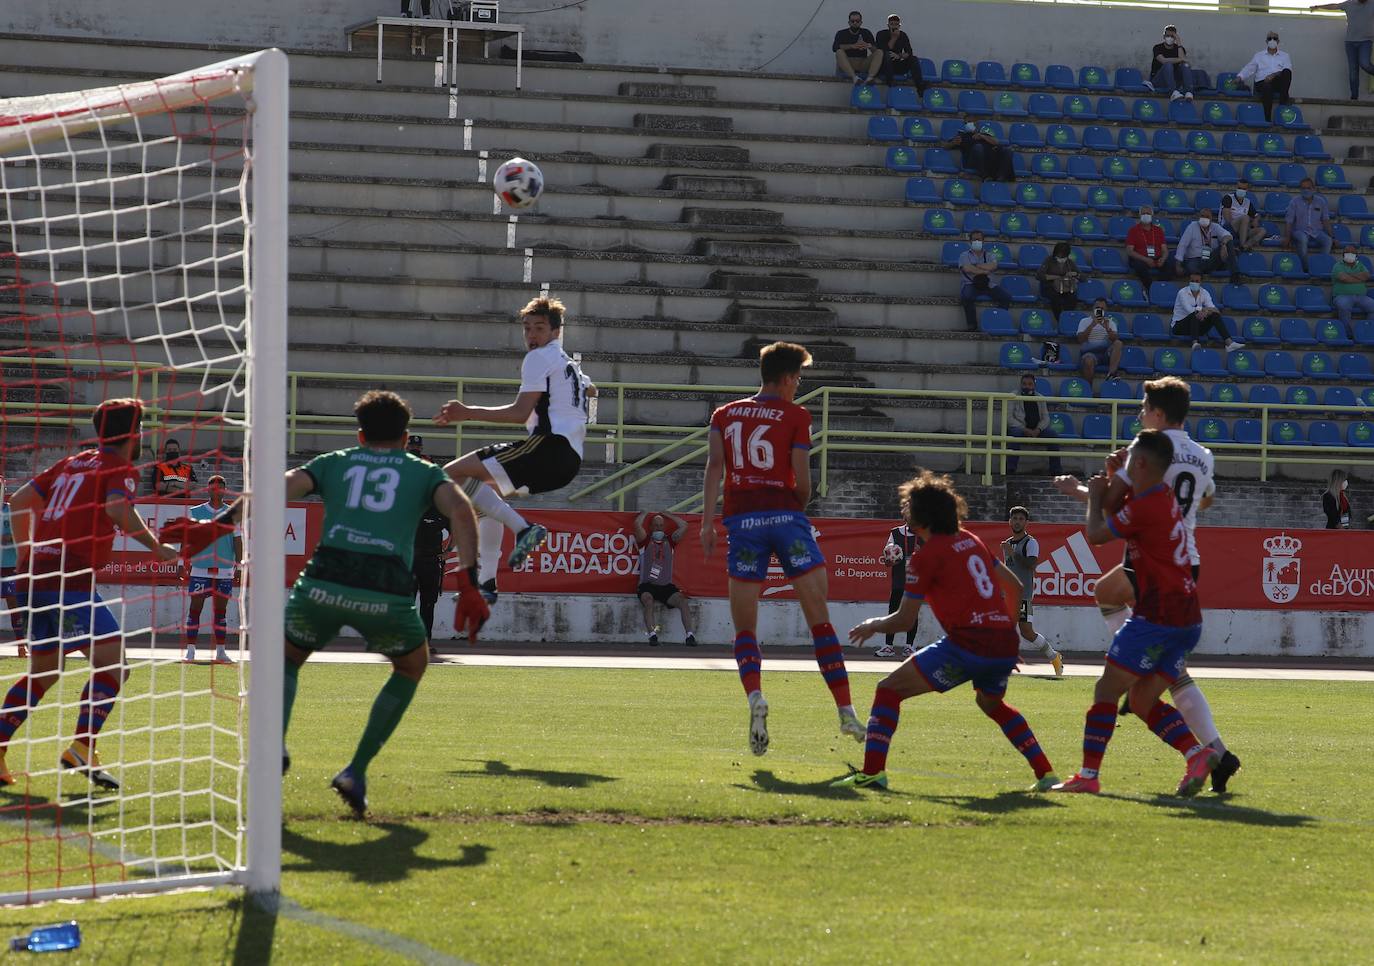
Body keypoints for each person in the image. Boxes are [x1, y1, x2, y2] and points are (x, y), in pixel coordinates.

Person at [169, 391, 489, 816]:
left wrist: (217, 526)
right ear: (406, 436)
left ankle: (274, 748)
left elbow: (273, 490)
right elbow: (462, 510)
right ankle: (355, 770)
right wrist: (468, 581)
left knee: (286, 659)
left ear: (359, 435)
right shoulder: (422, 472)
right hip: (386, 588)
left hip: (323, 582)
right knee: (411, 665)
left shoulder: (335, 461)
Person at [1053, 376, 1241, 793]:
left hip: (1154, 565)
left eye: (1143, 407)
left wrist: (1081, 489)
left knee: (1132, 671)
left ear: (1156, 412)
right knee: (1114, 605)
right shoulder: (1202, 455)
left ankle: (1203, 745)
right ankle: (1213, 753)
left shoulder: (1145, 451)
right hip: (1185, 556)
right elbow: (1205, 499)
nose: (1140, 413)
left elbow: (1108, 511)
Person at [834, 470, 1058, 792]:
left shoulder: (925, 558)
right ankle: (1046, 774)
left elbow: (904, 620)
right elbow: (1015, 585)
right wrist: (1004, 631)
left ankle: (873, 773)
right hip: (1002, 645)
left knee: (887, 690)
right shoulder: (972, 540)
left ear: (922, 515)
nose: (905, 511)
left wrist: (873, 626)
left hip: (967, 644)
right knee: (991, 704)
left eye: (909, 506)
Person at [0, 399, 181, 790]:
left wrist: (26, 551)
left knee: (44, 672)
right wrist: (158, 548)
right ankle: (82, 747)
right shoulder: (120, 468)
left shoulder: (72, 463)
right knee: (115, 667)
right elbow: (117, 509)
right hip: (71, 580)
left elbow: (17, 501)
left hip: (35, 579)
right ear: (134, 434)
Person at [699, 341, 865, 756]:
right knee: (820, 619)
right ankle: (845, 711)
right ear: (789, 378)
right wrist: (795, 511)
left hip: (743, 524)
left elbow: (714, 468)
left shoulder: (725, 414)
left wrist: (706, 523)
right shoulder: (796, 415)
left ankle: (755, 697)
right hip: (786, 519)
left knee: (745, 628)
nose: (799, 386)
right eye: (799, 379)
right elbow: (803, 481)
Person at [434, 296, 592, 606]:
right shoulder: (569, 364)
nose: (532, 335)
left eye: (540, 328)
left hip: (547, 448)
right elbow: (589, 387)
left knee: (448, 475)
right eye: (527, 328)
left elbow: (520, 413)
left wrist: (467, 411)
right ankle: (487, 582)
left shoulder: (538, 359)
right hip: (569, 462)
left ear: (556, 332)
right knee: (489, 496)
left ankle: (524, 529)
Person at [180, 475, 241, 665]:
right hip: (200, 568)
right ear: (208, 490)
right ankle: (190, 651)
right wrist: (182, 564)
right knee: (195, 609)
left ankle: (220, 652)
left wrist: (239, 565)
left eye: (221, 488)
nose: (217, 491)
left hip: (224, 569)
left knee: (221, 612)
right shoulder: (195, 512)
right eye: (213, 488)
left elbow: (238, 541)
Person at [1001, 506, 1063, 677]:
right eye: (1015, 518)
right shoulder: (1007, 544)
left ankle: (1054, 656)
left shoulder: (1030, 542)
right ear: (1010, 521)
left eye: (1021, 519)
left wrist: (1012, 553)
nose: (1017, 522)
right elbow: (1008, 569)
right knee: (1005, 629)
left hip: (1023, 594)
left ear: (1026, 523)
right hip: (1008, 595)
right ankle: (1004, 664)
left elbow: (1031, 565)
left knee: (1027, 632)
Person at [406, 435, 449, 647]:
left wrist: (447, 551)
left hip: (431, 561)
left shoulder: (439, 508)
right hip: (409, 559)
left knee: (428, 604)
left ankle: (424, 642)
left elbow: (456, 528)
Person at [633, 510, 697, 647]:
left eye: (661, 525)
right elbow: (637, 525)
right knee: (648, 601)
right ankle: (652, 635)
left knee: (682, 601)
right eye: (655, 525)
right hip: (647, 584)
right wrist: (645, 513)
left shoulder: (670, 541)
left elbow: (684, 525)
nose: (658, 528)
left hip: (666, 586)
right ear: (650, 527)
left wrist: (668, 515)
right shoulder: (645, 541)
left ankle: (690, 635)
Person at [1310, 0, 1374, 100]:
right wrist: (1317, 6)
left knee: (1365, 63)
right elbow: (1334, 6)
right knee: (1353, 71)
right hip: (1350, 42)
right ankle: (1354, 97)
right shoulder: (1349, 4)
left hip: (1365, 41)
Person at [876, 519, 922, 658]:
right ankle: (888, 646)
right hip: (899, 580)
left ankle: (909, 646)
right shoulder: (895, 533)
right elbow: (887, 560)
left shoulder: (923, 533)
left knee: (912, 612)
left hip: (915, 581)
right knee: (893, 611)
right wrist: (890, 557)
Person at [1007, 372, 1063, 475]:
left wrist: (1038, 429)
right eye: (1024, 384)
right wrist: (1025, 429)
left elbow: (1046, 418)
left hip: (1037, 429)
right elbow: (1009, 419)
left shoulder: (1040, 397)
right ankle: (1010, 469)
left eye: (1029, 384)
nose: (1027, 386)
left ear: (1034, 385)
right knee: (1014, 435)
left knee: (1053, 435)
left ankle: (1056, 471)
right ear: (1020, 384)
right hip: (1019, 429)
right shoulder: (1013, 396)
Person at [1172, 273, 1244, 351]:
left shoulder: (1204, 292)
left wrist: (1206, 311)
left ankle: (1229, 343)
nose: (1194, 283)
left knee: (1214, 315)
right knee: (1195, 313)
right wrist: (1204, 310)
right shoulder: (1182, 292)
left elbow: (1215, 310)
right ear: (1189, 281)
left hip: (1197, 327)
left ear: (1201, 282)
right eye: (1192, 281)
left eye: (1197, 281)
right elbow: (1189, 310)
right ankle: (1195, 343)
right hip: (1179, 327)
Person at [958, 231, 1012, 331]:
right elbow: (966, 268)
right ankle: (972, 325)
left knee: (1006, 297)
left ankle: (997, 322)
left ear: (983, 241)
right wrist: (985, 271)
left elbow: (994, 265)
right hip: (971, 283)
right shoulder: (964, 255)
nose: (977, 241)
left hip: (988, 284)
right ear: (970, 241)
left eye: (979, 239)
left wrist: (975, 266)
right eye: (974, 239)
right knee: (966, 297)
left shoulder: (990, 255)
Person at [1238, 31, 1293, 122]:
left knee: (1286, 72)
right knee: (1267, 86)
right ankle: (1267, 119)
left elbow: (1287, 69)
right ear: (1266, 41)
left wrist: (1274, 75)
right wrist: (1240, 77)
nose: (1272, 40)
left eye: (1274, 38)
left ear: (1278, 41)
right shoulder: (1259, 56)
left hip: (1276, 81)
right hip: (1262, 82)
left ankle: (1282, 104)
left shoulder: (1285, 56)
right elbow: (1249, 68)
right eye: (1269, 38)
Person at [1175, 208, 1239, 283]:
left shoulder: (1215, 226)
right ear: (1199, 217)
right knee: (1192, 268)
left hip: (1210, 259)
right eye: (1202, 216)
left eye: (1207, 217)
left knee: (1229, 243)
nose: (1204, 218)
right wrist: (1178, 264)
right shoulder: (1192, 227)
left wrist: (1224, 244)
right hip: (1195, 259)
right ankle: (1197, 275)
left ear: (1211, 218)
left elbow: (1228, 235)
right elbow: (1182, 245)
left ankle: (1235, 274)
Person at [0, 481, 28, 656]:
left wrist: (6, 538)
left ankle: (21, 645)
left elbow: (20, 533)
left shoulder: (11, 510)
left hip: (10, 566)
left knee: (14, 606)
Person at [1285, 178, 1334, 273]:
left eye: (1308, 188)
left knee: (1328, 241)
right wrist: (1287, 237)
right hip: (1299, 230)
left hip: (1317, 231)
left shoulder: (1321, 201)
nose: (1306, 190)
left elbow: (1326, 220)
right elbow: (1289, 221)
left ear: (1313, 189)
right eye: (1303, 188)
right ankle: (1306, 268)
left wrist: (1332, 236)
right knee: (1303, 239)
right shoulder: (1294, 202)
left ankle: (1320, 266)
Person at [945, 118, 1014, 182]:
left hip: (989, 159)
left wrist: (982, 136)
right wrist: (953, 143)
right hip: (972, 161)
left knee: (1007, 151)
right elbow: (946, 146)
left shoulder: (984, 134)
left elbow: (996, 142)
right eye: (966, 122)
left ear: (976, 124)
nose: (968, 124)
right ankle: (985, 176)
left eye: (970, 122)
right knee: (978, 147)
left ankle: (1001, 177)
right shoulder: (962, 136)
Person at [1124, 206, 1173, 292]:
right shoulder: (1133, 230)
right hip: (1140, 258)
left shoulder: (1158, 230)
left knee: (1169, 267)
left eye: (1148, 213)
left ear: (1152, 215)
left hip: (1156, 257)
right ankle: (1151, 288)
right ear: (1139, 215)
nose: (1146, 215)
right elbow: (1129, 251)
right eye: (1143, 213)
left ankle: (1159, 287)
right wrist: (1146, 259)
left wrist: (1163, 258)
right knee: (1139, 267)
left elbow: (1164, 250)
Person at [1331, 246, 1374, 339]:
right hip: (1342, 296)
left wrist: (1349, 276)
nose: (1350, 255)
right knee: (1344, 306)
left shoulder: (1360, 265)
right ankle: (1348, 334)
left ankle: (1367, 332)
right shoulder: (1338, 265)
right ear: (1343, 255)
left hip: (1361, 296)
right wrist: (1359, 278)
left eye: (1352, 253)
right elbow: (1344, 278)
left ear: (1356, 256)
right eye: (1347, 253)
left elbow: (1366, 276)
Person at [1077, 297, 1122, 382]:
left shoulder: (1110, 323)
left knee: (1118, 343)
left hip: (1105, 353)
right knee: (1088, 360)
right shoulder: (1084, 321)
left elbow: (1115, 339)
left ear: (1105, 310)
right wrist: (1092, 325)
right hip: (1090, 352)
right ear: (1093, 308)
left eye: (1102, 308)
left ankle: (1112, 373)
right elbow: (1080, 340)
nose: (1099, 310)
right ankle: (1089, 390)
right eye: (1097, 308)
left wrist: (1107, 328)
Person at [832, 10, 882, 85]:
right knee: (839, 52)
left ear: (861, 22)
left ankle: (870, 78)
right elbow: (835, 48)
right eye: (853, 21)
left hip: (863, 62)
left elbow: (875, 50)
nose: (855, 23)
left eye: (857, 21)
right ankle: (855, 78)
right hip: (848, 62)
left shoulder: (866, 32)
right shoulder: (841, 33)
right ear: (849, 22)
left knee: (879, 52)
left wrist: (868, 45)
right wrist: (852, 46)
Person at [1150, 24, 1196, 101]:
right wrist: (1180, 59)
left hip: (1174, 81)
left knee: (1185, 65)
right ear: (1164, 36)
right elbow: (1163, 60)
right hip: (1158, 80)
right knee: (1168, 65)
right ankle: (1173, 93)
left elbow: (1184, 61)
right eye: (1168, 36)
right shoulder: (1157, 48)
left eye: (1172, 36)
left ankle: (1188, 92)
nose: (1170, 38)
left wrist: (1179, 43)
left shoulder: (1179, 48)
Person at [1221, 180, 1268, 253]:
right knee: (1245, 217)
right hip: (1229, 229)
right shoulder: (1228, 198)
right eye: (1239, 188)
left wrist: (1255, 220)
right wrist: (1242, 225)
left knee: (1262, 231)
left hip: (1242, 231)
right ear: (1236, 188)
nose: (1241, 190)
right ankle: (1242, 243)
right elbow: (1227, 220)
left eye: (1243, 189)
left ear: (1247, 190)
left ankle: (1244, 246)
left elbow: (1257, 215)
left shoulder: (1247, 202)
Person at [1037, 242, 1081, 321]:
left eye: (1063, 255)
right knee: (1055, 298)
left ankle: (1068, 318)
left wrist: (1075, 274)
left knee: (1072, 297)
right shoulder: (1049, 260)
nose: (1061, 257)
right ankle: (1060, 319)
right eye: (1059, 255)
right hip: (1050, 287)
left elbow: (1082, 276)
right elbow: (1039, 275)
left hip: (1065, 288)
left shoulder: (1069, 263)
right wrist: (1057, 277)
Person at [873, 14, 917, 88]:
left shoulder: (903, 35)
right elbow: (883, 51)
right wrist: (894, 38)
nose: (894, 26)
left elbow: (909, 53)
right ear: (888, 25)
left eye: (896, 24)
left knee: (914, 59)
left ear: (899, 26)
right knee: (887, 54)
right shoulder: (881, 34)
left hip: (897, 64)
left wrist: (899, 55)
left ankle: (919, 82)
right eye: (892, 24)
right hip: (884, 65)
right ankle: (890, 81)